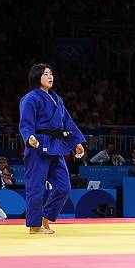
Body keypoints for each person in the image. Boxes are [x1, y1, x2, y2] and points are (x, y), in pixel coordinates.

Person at [19, 63, 86, 234]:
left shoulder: (57, 99)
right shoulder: (30, 98)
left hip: (55, 146)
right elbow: (25, 123)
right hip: (38, 145)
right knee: (36, 187)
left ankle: (45, 217)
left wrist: (76, 142)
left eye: (51, 74)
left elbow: (67, 123)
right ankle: (34, 226)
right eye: (46, 74)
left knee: (64, 187)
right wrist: (30, 138)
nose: (50, 77)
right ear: (37, 77)